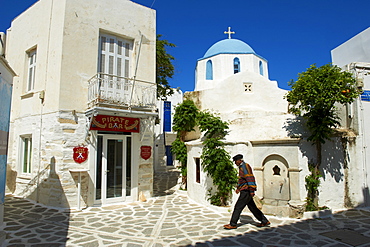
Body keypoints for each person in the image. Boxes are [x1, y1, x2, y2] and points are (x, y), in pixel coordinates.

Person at [224, 154, 270, 229]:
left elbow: (249, 178)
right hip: (245, 190)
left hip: (246, 191)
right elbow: (243, 179)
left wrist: (252, 190)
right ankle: (264, 221)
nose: (235, 163)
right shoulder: (242, 167)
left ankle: (233, 224)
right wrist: (239, 188)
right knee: (253, 208)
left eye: (236, 161)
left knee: (238, 207)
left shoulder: (245, 167)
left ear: (240, 160)